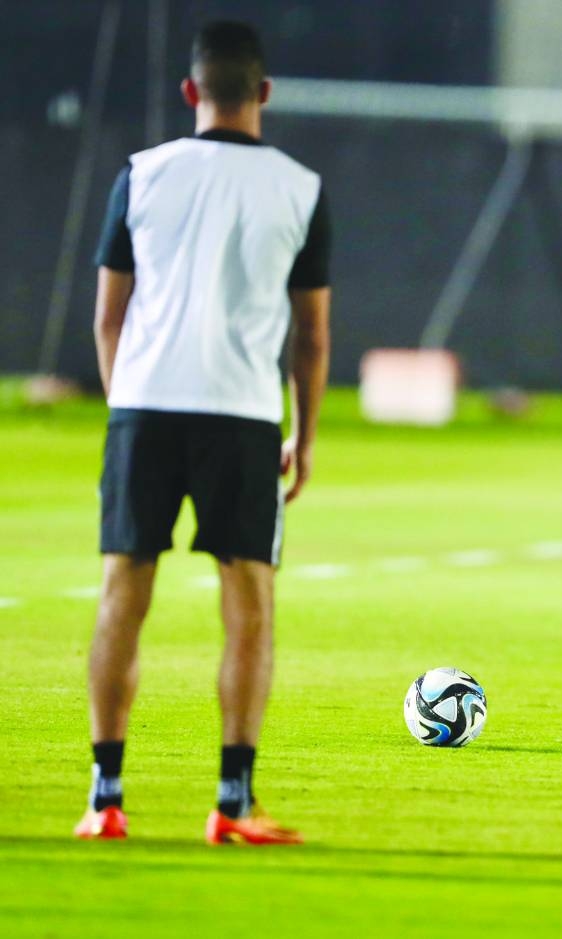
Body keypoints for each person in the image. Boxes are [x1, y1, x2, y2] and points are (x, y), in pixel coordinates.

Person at [74, 21, 331, 844]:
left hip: (144, 408)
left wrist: (125, 404)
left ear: (191, 91)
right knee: (249, 603)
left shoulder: (141, 173)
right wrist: (305, 435)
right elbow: (312, 336)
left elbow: (108, 316)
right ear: (264, 93)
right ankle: (233, 801)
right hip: (243, 415)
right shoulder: (300, 187)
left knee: (122, 594)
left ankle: (105, 797)